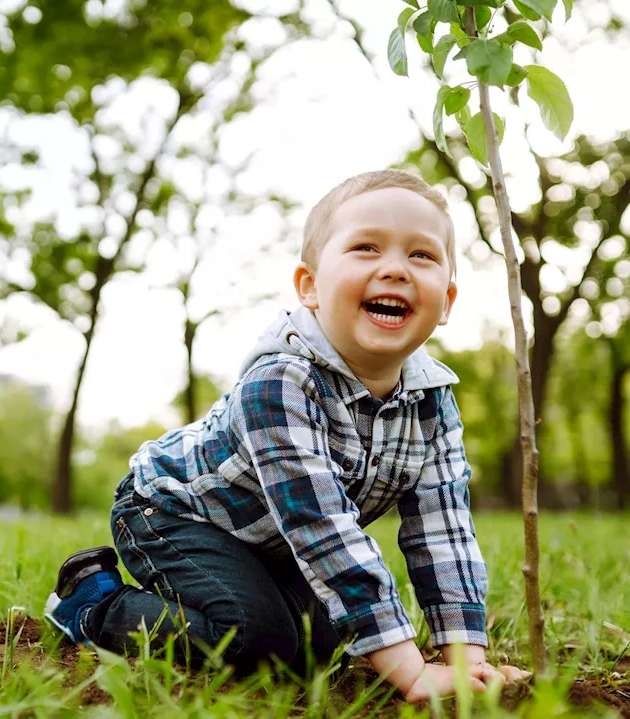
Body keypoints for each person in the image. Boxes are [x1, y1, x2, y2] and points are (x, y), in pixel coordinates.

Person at [43, 169, 531, 701]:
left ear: (448, 301)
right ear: (310, 287)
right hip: (175, 513)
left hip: (272, 544)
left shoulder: (432, 401)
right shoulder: (280, 383)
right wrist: (411, 673)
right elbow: (320, 528)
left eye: (422, 255)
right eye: (366, 248)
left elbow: (443, 529)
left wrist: (465, 658)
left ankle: (251, 610)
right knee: (254, 638)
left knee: (318, 648)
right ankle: (92, 602)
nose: (395, 269)